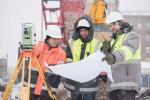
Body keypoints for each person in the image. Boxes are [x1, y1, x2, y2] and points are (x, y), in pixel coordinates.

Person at [100, 12, 141, 100]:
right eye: (110, 25)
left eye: (114, 24)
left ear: (121, 22)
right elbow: (109, 60)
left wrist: (113, 57)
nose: (112, 27)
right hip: (114, 86)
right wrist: (105, 52)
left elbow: (127, 50)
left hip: (127, 86)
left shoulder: (132, 35)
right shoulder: (113, 40)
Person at [24, 25, 66, 100]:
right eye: (54, 38)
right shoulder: (38, 47)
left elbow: (61, 72)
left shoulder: (61, 54)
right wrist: (24, 48)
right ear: (48, 38)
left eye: (58, 39)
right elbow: (24, 54)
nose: (56, 41)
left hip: (47, 92)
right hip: (30, 89)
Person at [64, 14, 100, 100]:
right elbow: (68, 58)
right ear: (78, 31)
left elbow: (99, 63)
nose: (83, 33)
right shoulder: (72, 43)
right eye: (81, 30)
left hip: (90, 86)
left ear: (90, 30)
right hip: (75, 85)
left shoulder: (97, 44)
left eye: (85, 30)